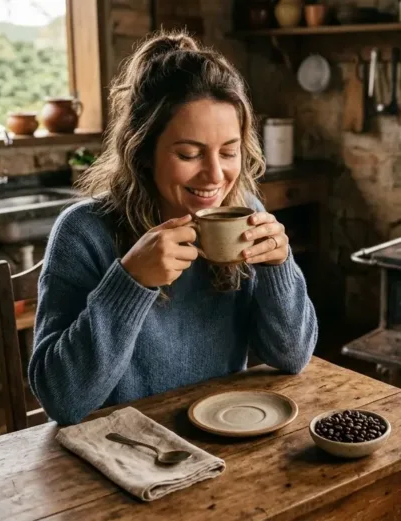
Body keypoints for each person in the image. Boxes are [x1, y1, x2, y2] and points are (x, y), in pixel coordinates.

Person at [28, 30, 318, 425]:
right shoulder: (84, 232)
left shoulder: (244, 211)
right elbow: (61, 401)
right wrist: (130, 281)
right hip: (119, 453)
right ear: (143, 150)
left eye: (229, 151)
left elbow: (292, 356)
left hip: (225, 436)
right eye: (189, 153)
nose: (216, 175)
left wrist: (279, 269)